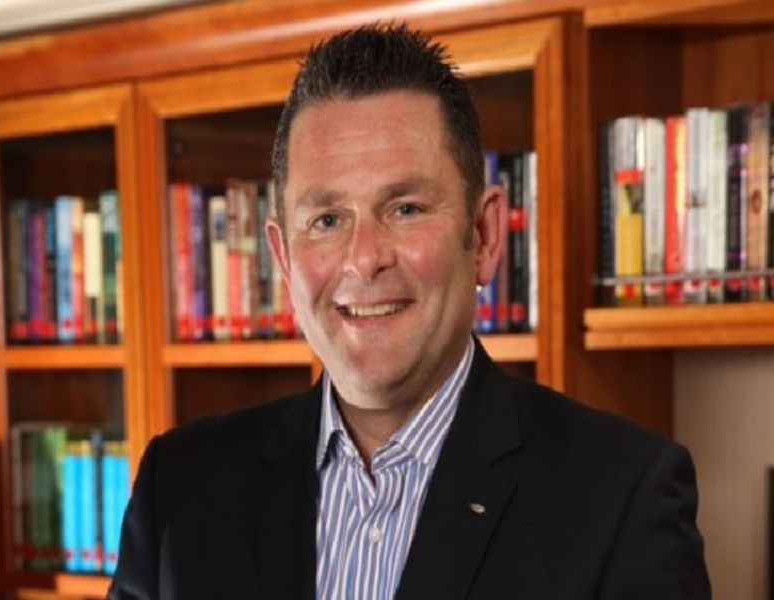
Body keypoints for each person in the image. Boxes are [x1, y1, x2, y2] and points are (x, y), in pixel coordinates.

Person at [108, 24, 711, 599]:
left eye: (406, 209)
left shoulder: (623, 494)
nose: (364, 259)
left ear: (484, 236)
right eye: (327, 219)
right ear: (284, 259)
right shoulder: (179, 489)